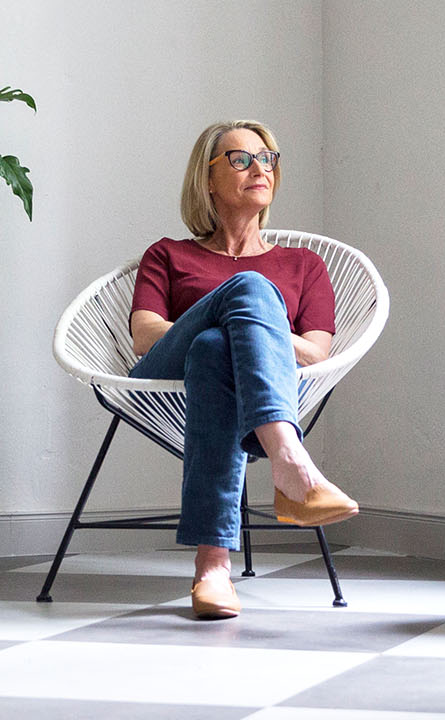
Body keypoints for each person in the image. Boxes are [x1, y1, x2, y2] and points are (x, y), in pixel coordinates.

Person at [129, 120, 358, 619]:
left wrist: (235, 331)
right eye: (240, 159)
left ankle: (212, 567)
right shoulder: (168, 255)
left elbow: (318, 353)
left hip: (228, 382)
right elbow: (146, 334)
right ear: (207, 180)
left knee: (215, 349)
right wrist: (238, 308)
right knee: (246, 292)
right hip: (166, 381)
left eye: (267, 158)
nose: (259, 167)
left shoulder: (305, 265)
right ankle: (290, 461)